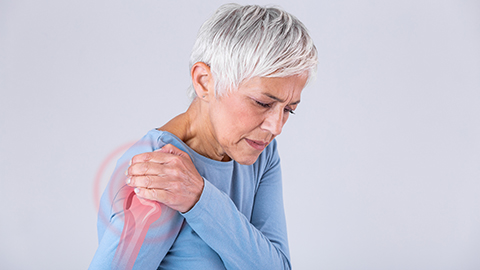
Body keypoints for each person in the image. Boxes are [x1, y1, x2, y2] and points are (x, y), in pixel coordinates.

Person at [89, 3, 317, 269]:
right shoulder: (159, 175)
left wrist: (200, 197)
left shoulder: (262, 154)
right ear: (204, 81)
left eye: (289, 109)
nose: (276, 127)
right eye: (262, 103)